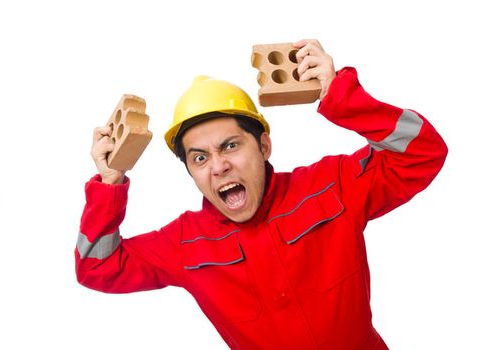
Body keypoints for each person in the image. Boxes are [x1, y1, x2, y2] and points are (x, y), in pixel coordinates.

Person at [76, 39, 447, 349]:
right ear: (190, 171)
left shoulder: (332, 185)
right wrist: (110, 182)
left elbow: (422, 152)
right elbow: (97, 267)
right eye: (199, 157)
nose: (218, 166)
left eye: (231, 145)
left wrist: (341, 97)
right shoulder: (186, 244)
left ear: (264, 145)